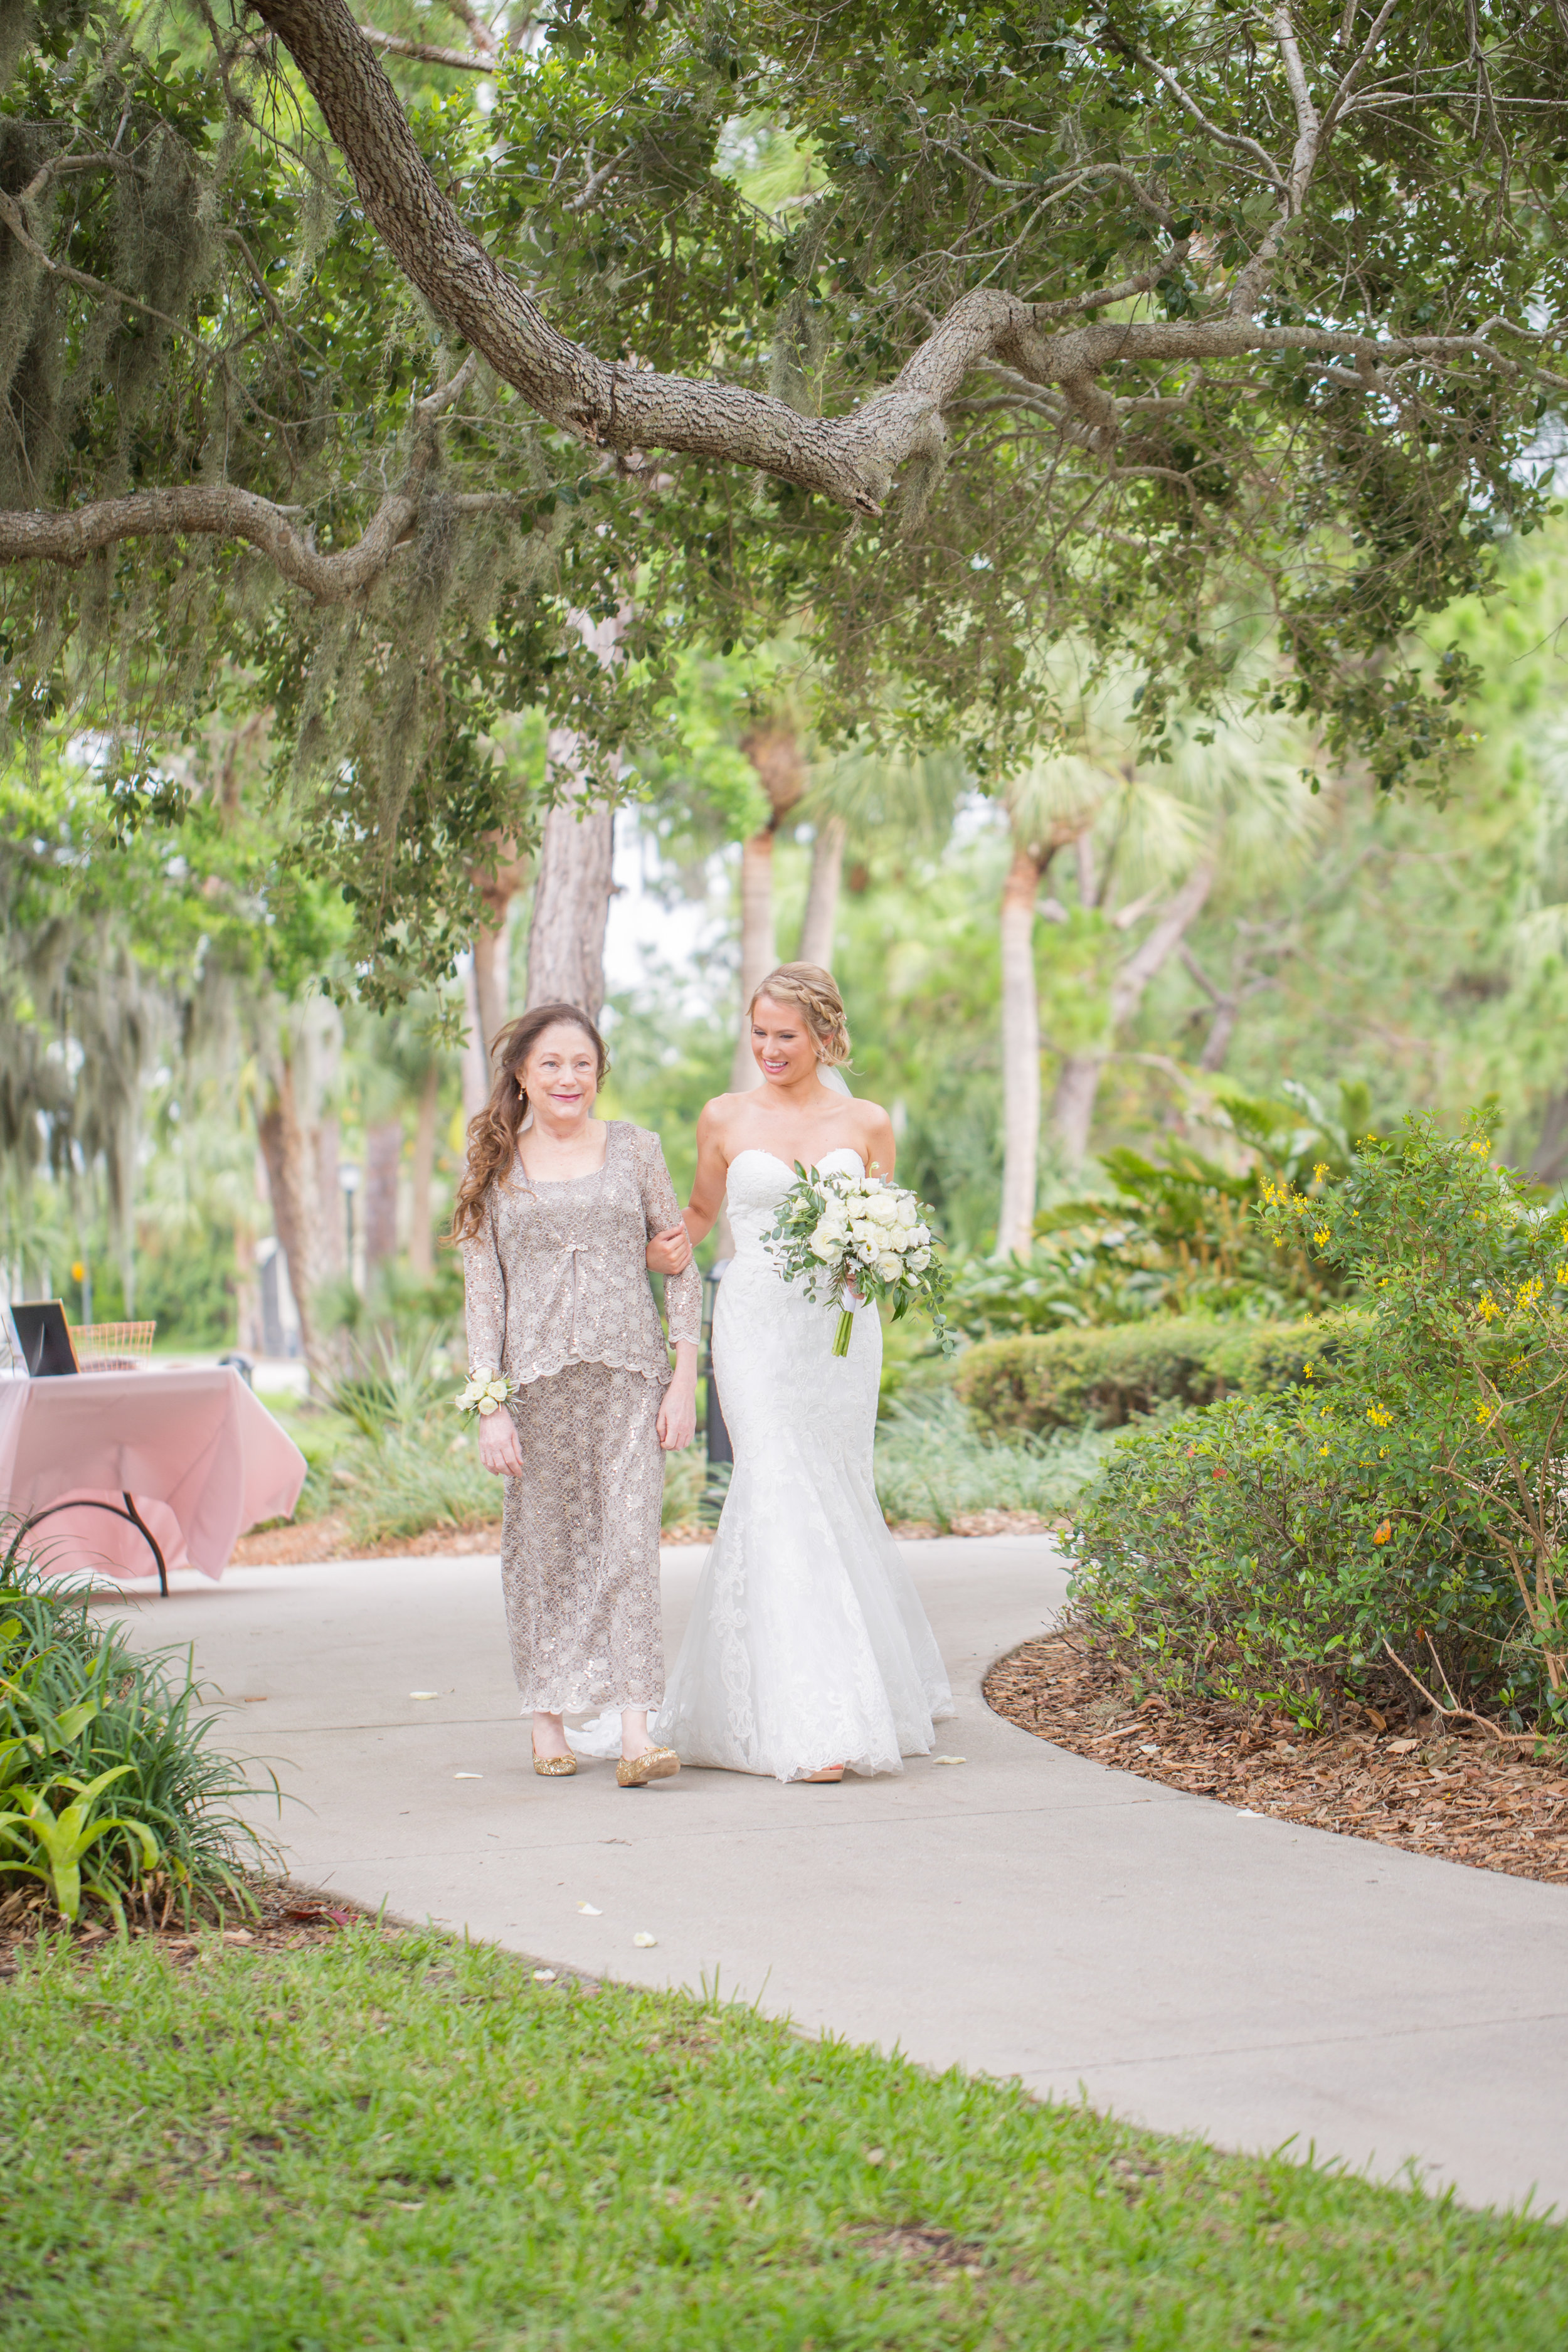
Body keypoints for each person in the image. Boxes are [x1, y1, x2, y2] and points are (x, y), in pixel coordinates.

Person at [645, 963, 953, 1782]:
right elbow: (702, 1215)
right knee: (774, 1482)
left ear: (824, 1033)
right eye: (760, 1033)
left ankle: (857, 1693)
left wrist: (880, 1258)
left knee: (834, 1486)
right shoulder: (723, 1115)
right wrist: (664, 1243)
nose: (770, 1049)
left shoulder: (868, 1120)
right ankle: (811, 1722)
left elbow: (888, 1221)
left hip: (839, 1334)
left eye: (786, 1034)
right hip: (753, 1324)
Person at [451, 1002, 701, 1786]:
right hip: (535, 1389)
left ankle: (635, 1732)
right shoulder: (495, 1163)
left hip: (629, 1379)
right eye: (551, 1063)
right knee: (545, 1556)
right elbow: (481, 1295)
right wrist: (489, 1406)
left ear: (599, 1074)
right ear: (522, 1073)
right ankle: (547, 1717)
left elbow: (681, 1264)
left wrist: (684, 1378)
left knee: (630, 1546)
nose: (568, 1078)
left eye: (583, 1064)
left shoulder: (636, 1149)